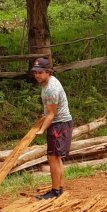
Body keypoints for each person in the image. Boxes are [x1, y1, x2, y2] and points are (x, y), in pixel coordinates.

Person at [30, 56, 72, 201]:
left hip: (59, 124)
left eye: (40, 72)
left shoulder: (51, 89)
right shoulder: (48, 82)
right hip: (59, 123)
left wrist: (41, 130)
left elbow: (51, 114)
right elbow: (49, 111)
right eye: (35, 72)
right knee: (55, 157)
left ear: (48, 71)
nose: (37, 75)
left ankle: (55, 191)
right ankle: (59, 188)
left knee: (52, 157)